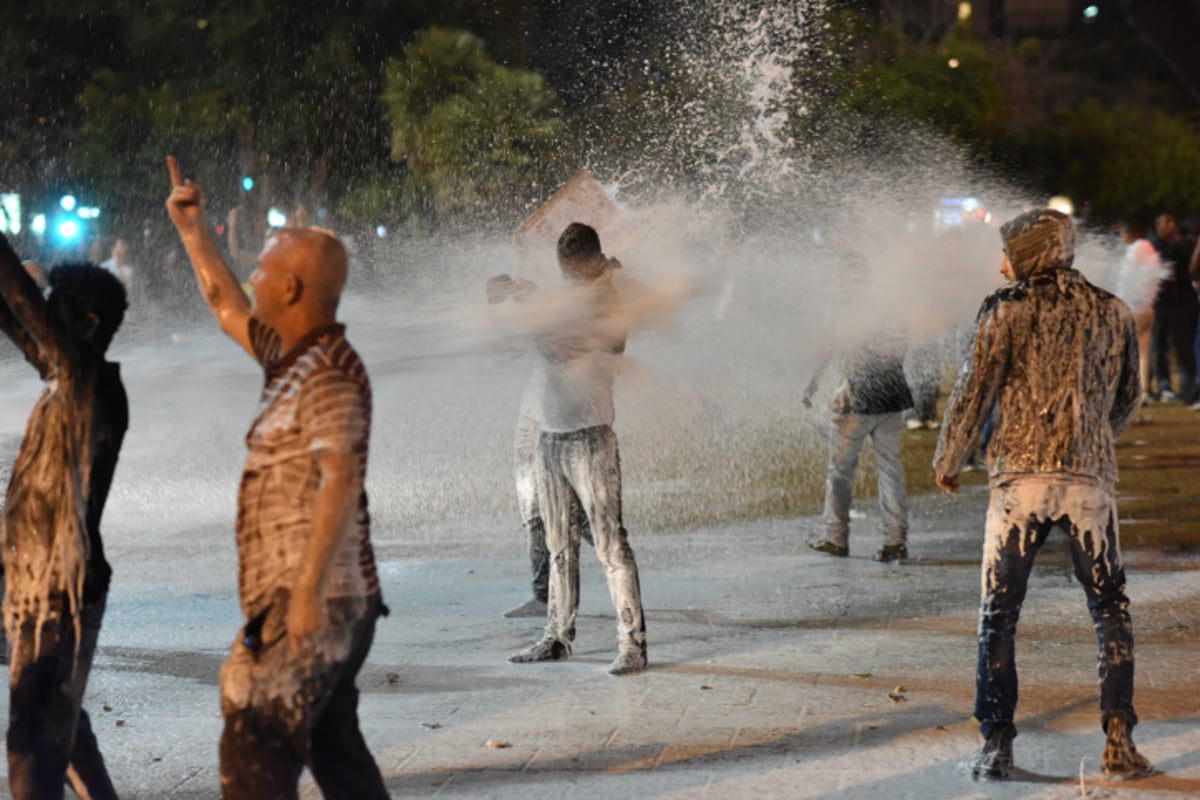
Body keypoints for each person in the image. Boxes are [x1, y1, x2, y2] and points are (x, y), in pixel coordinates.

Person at [165, 156, 390, 799]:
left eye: (262, 265)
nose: (252, 276)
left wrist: (308, 593)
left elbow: (339, 481)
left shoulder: (328, 374)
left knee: (255, 743)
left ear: (290, 289)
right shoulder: (289, 359)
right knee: (336, 751)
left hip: (321, 597)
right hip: (317, 595)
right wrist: (192, 232)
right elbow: (223, 302)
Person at [933, 209, 1149, 781]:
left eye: (1008, 251)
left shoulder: (1004, 308)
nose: (1001, 263)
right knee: (1109, 607)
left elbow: (973, 389)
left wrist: (948, 458)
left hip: (1018, 484)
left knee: (998, 614)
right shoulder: (1112, 310)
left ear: (1029, 253)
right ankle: (1119, 738)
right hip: (1088, 481)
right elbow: (1130, 395)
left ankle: (997, 744)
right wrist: (1094, 439)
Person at [0, 234, 126, 800]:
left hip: (61, 589)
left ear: (88, 322)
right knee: (60, 728)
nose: (44, 316)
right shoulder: (67, 381)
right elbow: (18, 322)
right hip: (36, 581)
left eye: (58, 306)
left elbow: (26, 313)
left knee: (35, 738)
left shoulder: (91, 385)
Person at [508, 222, 647, 675]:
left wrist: (532, 311)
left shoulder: (608, 304)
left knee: (609, 546)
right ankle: (557, 636)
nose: (566, 275)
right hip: (552, 434)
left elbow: (561, 350)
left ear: (587, 262)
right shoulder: (573, 298)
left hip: (591, 438)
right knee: (558, 546)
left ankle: (632, 644)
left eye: (571, 267)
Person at [485, 275, 595, 619]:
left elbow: (506, 353)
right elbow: (503, 354)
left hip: (543, 421)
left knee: (538, 509)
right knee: (550, 508)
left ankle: (546, 594)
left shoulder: (547, 319)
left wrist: (506, 309)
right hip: (545, 417)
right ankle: (551, 589)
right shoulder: (545, 318)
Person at [804, 252, 913, 562]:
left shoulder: (843, 308)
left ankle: (836, 537)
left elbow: (827, 347)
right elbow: (901, 345)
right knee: (891, 469)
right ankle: (896, 540)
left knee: (839, 472)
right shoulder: (888, 306)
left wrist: (812, 384)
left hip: (854, 402)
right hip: (892, 399)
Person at [1113, 220, 1164, 402]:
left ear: (1129, 233)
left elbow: (1126, 281)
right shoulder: (1149, 249)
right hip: (1147, 306)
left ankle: (1128, 392)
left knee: (1125, 350)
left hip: (1132, 306)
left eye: (1122, 233)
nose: (1121, 237)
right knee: (1143, 351)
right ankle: (1143, 392)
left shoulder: (1134, 250)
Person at [1149, 213, 1197, 403]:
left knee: (1182, 346)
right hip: (1162, 305)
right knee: (1159, 346)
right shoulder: (1156, 246)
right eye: (1167, 222)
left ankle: (1184, 388)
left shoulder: (1181, 245)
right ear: (1158, 226)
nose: (1172, 225)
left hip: (1181, 305)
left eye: (1173, 221)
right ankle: (1163, 385)